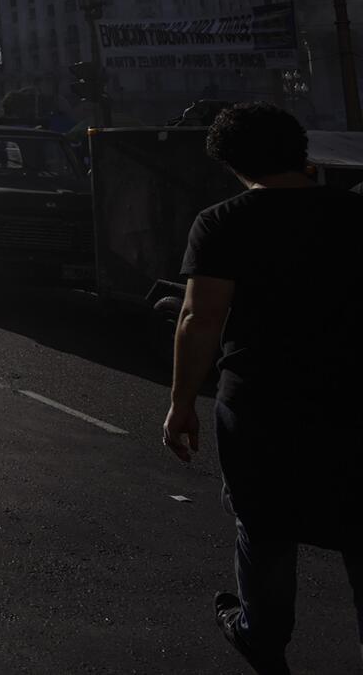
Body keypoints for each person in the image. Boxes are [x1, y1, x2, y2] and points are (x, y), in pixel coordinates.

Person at [162, 103, 363, 674]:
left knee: (265, 524)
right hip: (355, 397)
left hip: (262, 402)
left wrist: (181, 404)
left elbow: (200, 320)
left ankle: (261, 636)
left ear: (230, 162)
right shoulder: (355, 214)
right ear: (301, 150)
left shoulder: (223, 221)